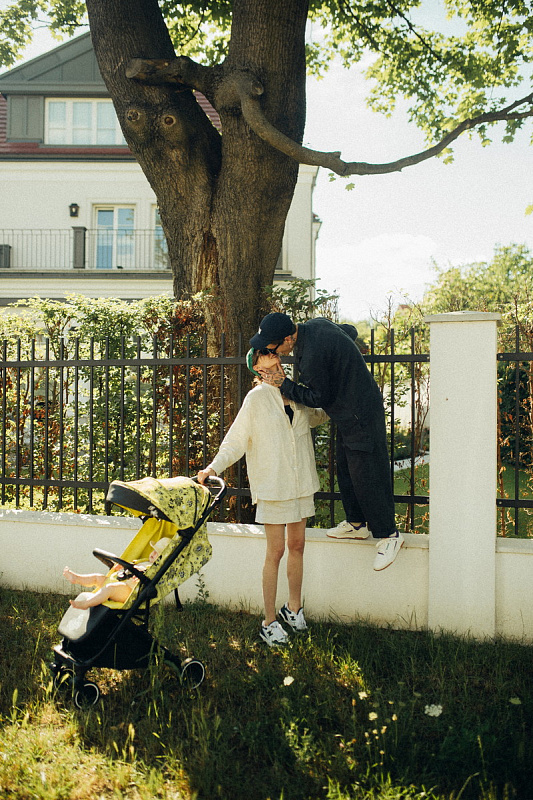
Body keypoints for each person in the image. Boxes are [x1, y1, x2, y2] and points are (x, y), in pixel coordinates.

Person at [249, 312, 403, 571]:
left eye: (272, 347)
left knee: (367, 472)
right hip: (348, 412)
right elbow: (349, 330)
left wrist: (283, 384)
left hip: (361, 414)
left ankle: (389, 535)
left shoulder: (312, 354)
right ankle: (356, 524)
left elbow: (318, 398)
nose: (271, 351)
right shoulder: (315, 326)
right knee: (346, 468)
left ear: (288, 339)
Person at [197, 350, 328, 646]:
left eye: (275, 356)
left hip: (301, 484)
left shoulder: (295, 393)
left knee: (297, 546)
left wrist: (340, 400)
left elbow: (317, 416)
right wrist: (213, 467)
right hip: (273, 486)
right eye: (267, 357)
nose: (274, 359)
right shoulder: (255, 399)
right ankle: (269, 621)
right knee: (276, 551)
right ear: (256, 367)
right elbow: (236, 440)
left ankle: (293, 609)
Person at [63, 537, 172, 609]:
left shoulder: (154, 569)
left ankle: (86, 604)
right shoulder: (144, 561)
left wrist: (140, 576)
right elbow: (131, 565)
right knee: (97, 577)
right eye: (153, 550)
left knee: (109, 588)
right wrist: (122, 566)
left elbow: (148, 578)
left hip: (129, 591)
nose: (153, 554)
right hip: (118, 581)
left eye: (157, 554)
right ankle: (76, 578)